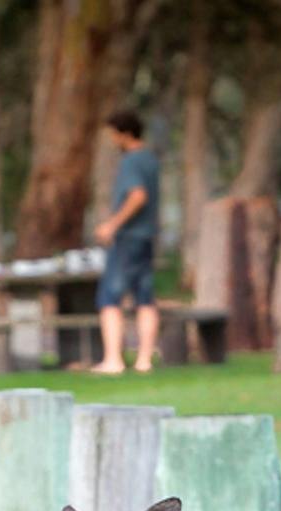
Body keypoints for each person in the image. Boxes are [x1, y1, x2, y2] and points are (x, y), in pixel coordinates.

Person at [92, 110, 160, 374]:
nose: (111, 141)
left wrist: (112, 225)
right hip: (146, 237)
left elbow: (137, 196)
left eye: (113, 135)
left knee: (109, 297)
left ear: (125, 133)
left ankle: (113, 360)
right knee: (145, 299)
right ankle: (144, 361)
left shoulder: (131, 162)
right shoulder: (150, 160)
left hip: (128, 239)